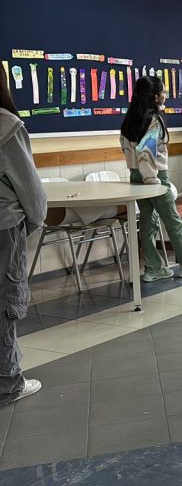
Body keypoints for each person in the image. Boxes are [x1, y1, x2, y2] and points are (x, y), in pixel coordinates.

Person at [120, 76, 182, 282]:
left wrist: (142, 175)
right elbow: (146, 153)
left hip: (136, 175)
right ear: (154, 96)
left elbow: (129, 150)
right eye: (163, 91)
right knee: (173, 222)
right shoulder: (154, 120)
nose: (165, 95)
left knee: (147, 222)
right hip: (154, 177)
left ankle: (153, 267)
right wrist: (153, 182)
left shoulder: (129, 120)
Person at [0, 63, 46, 406]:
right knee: (6, 301)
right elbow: (30, 189)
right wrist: (33, 223)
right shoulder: (7, 125)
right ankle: (8, 383)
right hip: (4, 225)